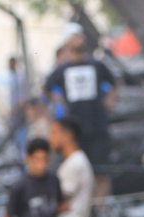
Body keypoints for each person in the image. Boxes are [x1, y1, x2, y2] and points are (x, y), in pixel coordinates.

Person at [44, 33, 116, 191]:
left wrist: (109, 101)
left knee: (101, 172)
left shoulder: (97, 66)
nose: (79, 40)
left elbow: (113, 83)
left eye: (81, 37)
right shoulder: (62, 70)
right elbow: (47, 88)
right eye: (75, 37)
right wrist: (60, 101)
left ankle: (101, 210)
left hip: (98, 127)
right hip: (76, 130)